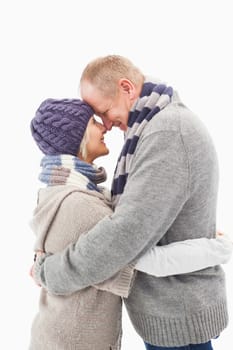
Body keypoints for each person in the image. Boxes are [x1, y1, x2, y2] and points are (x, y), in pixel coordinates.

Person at [31, 56, 231, 350]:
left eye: (106, 112)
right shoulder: (152, 127)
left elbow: (124, 235)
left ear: (126, 88)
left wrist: (49, 272)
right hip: (171, 308)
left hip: (177, 310)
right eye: (98, 119)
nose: (108, 124)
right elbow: (128, 223)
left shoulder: (166, 131)